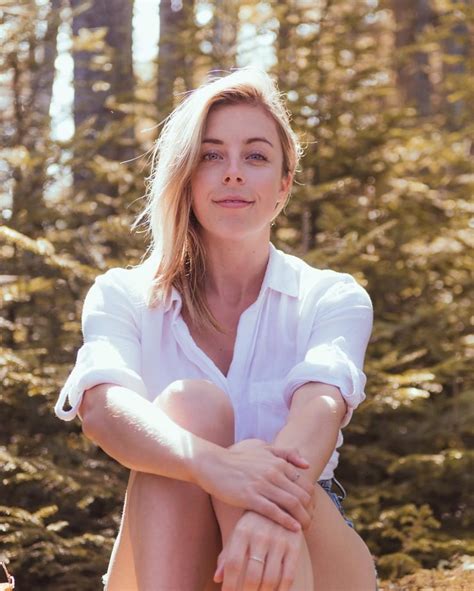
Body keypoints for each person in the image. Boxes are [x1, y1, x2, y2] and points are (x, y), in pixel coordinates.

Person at [54, 66, 377, 591]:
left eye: (256, 156)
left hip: (305, 535)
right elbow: (102, 408)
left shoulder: (331, 296)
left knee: (260, 481)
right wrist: (212, 467)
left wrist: (264, 502)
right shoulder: (122, 294)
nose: (233, 173)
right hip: (165, 549)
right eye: (210, 156)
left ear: (284, 184)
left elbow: (320, 406)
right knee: (189, 409)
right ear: (185, 176)